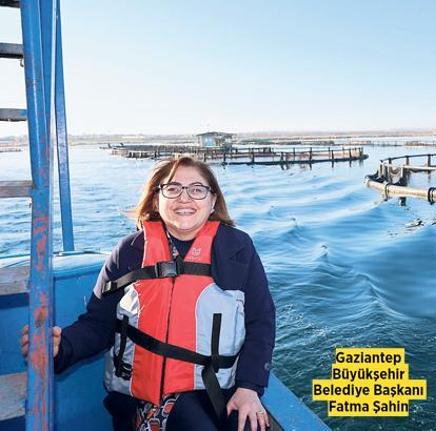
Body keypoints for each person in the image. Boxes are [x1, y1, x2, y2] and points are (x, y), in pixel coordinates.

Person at [20, 156, 276, 431]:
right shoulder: (129, 251)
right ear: (156, 199)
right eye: (173, 188)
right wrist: (62, 347)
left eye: (197, 189)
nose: (185, 198)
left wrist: (249, 387)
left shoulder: (238, 248)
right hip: (141, 397)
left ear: (213, 201)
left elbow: (260, 321)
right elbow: (98, 325)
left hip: (216, 391)